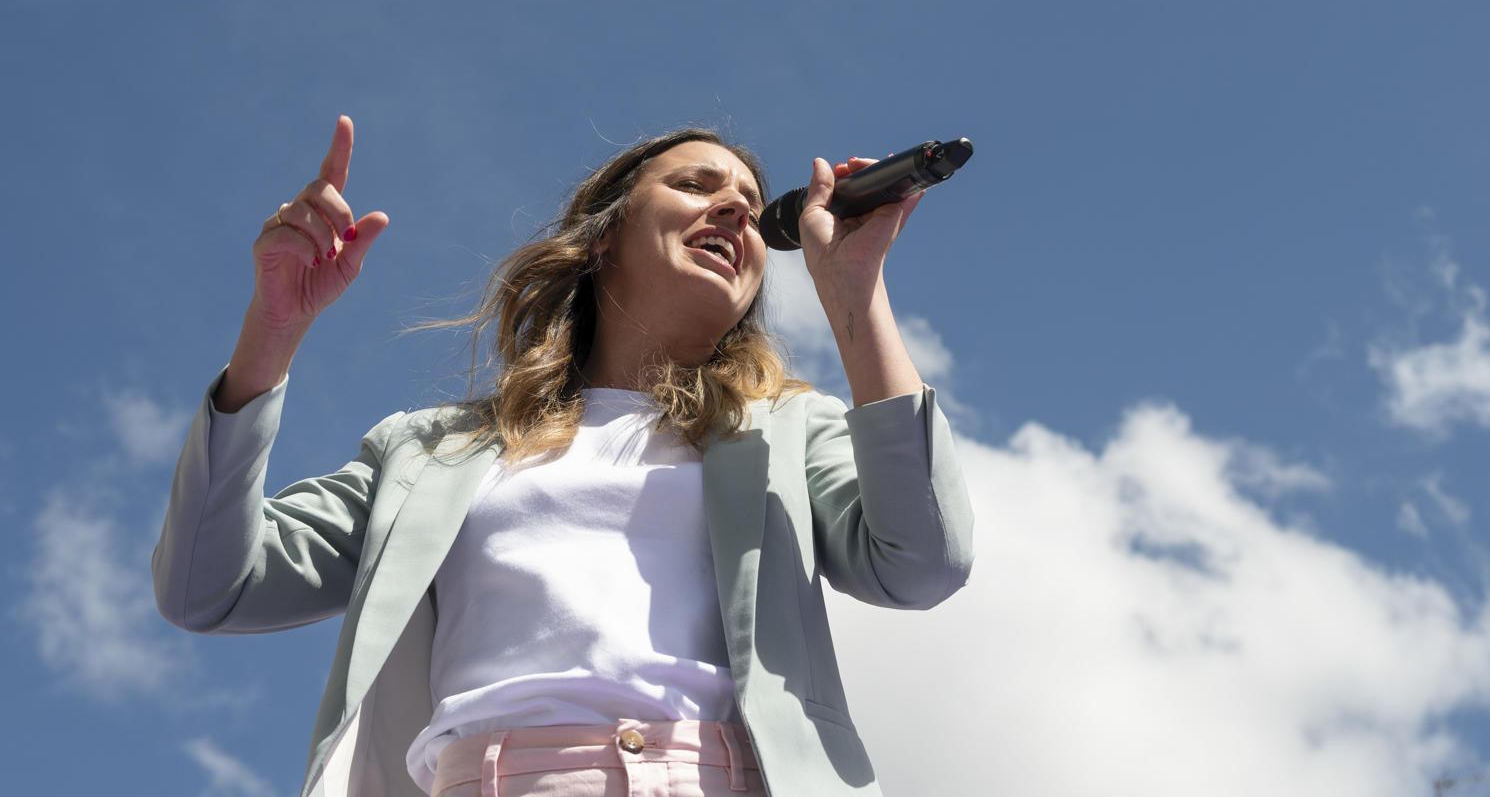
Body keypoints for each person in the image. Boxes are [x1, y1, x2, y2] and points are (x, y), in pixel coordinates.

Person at [153, 117, 974, 797]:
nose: (731, 208)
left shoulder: (787, 431)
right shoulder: (432, 451)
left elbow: (922, 562)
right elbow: (206, 586)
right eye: (695, 185)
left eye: (753, 209)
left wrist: (855, 290)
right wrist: (272, 330)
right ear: (604, 237)